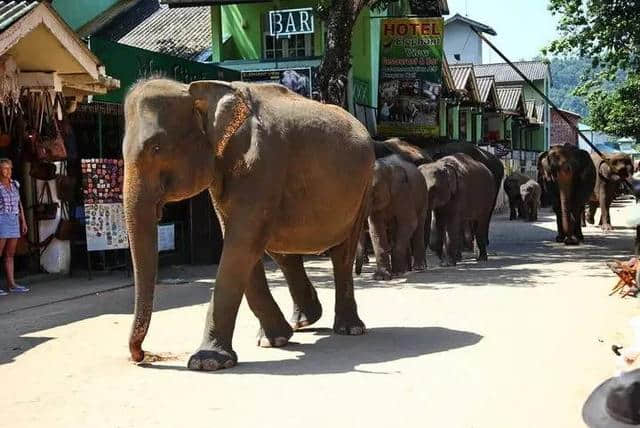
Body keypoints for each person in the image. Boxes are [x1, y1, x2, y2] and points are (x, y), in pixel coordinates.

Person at [0, 159, 28, 296]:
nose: (8, 171)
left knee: (10, 254)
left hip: (14, 219)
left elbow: (19, 204)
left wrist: (23, 221)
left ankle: (12, 284)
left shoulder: (15, 184)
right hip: (2, 219)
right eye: (5, 169)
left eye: (9, 168)